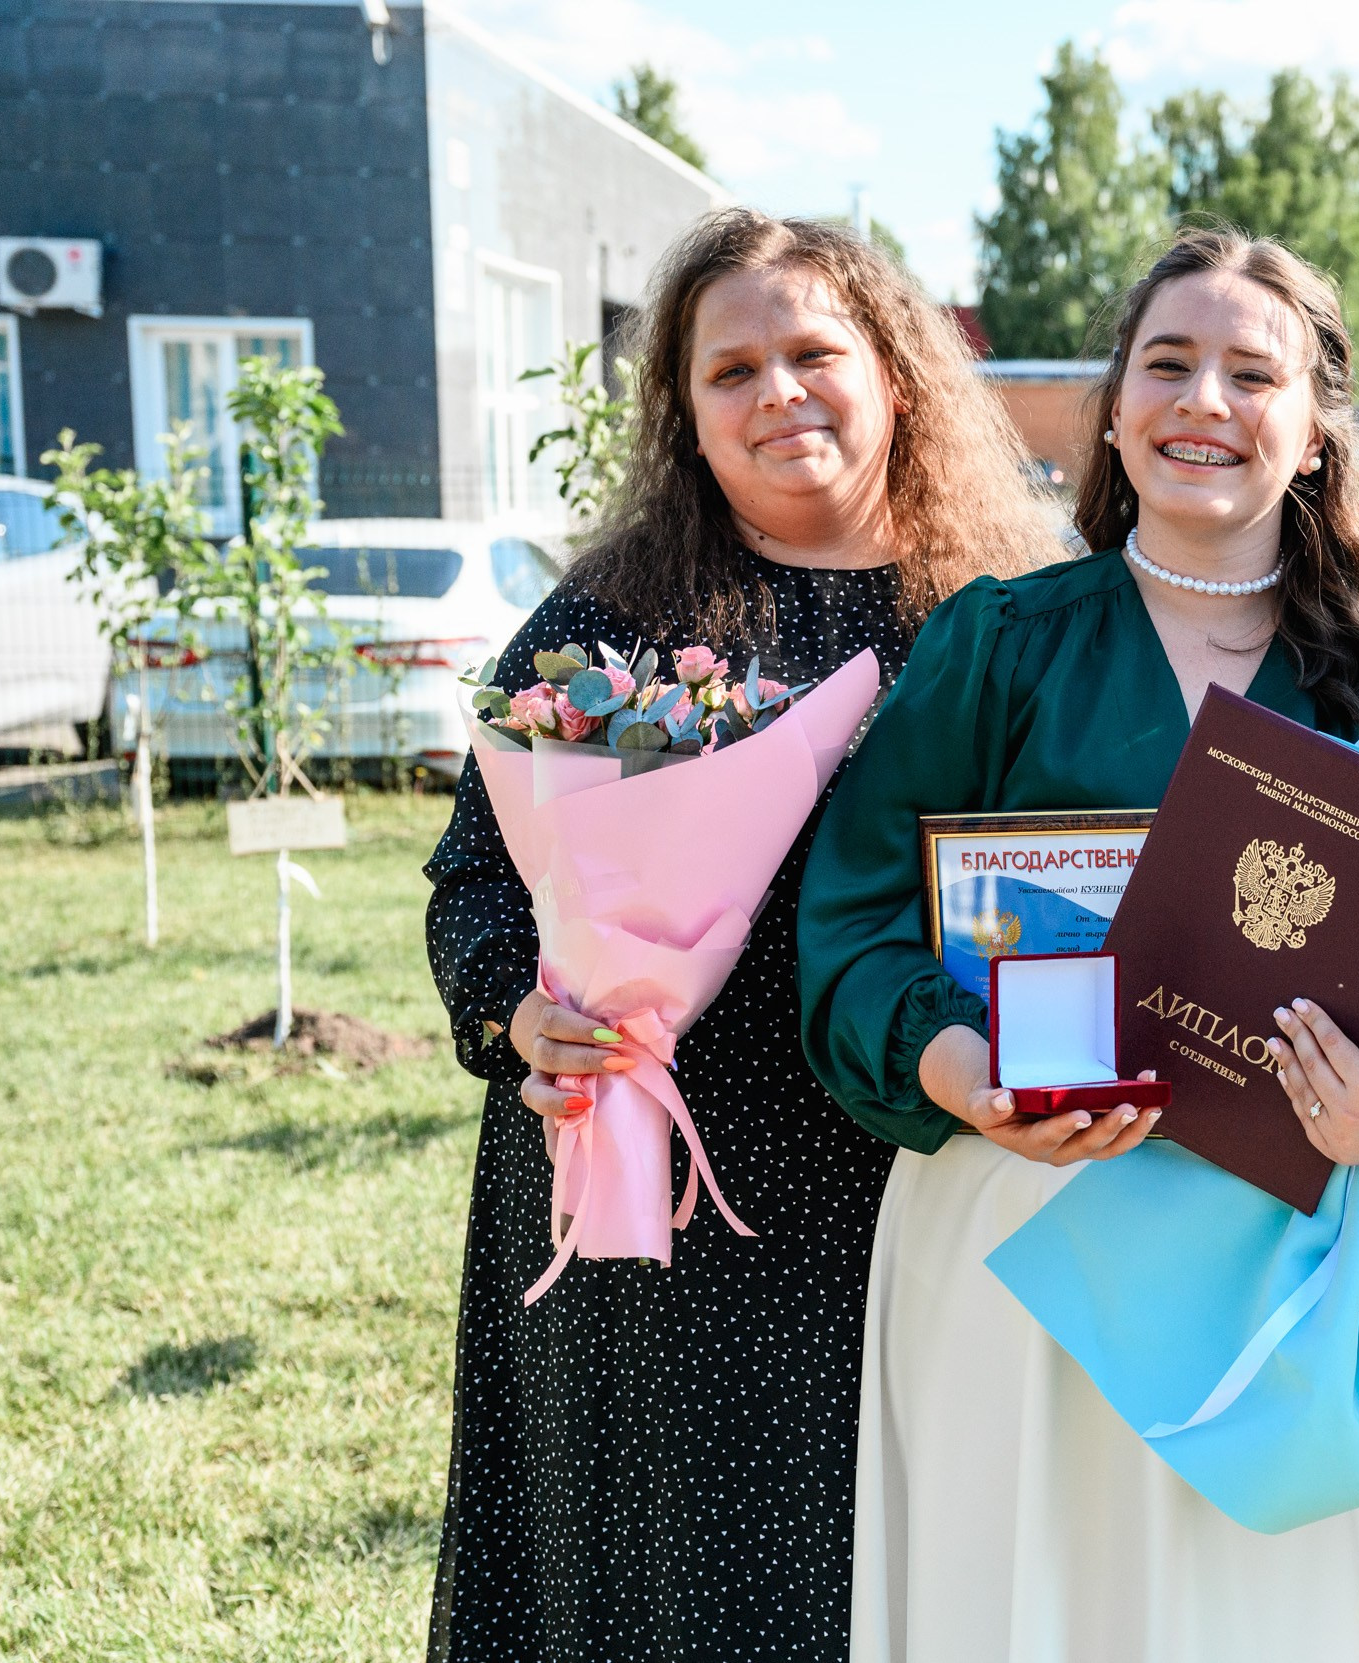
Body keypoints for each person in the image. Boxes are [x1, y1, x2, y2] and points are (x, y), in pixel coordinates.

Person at [796, 227, 1359, 1662]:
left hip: (1298, 1262)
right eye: (1168, 363)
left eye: (1256, 373)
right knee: (1035, 1608)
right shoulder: (999, 646)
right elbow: (852, 929)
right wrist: (957, 1070)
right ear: (1114, 409)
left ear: (1313, 434)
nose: (1206, 401)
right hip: (1026, 1227)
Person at [422, 208, 1058, 1663]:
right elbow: (473, 877)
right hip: (650, 1199)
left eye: (814, 351)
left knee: (882, 1569)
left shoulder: (1004, 616)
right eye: (733, 369)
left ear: (896, 372)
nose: (780, 391)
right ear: (686, 414)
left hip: (904, 1174)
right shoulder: (612, 621)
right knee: (647, 1581)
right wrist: (519, 1017)